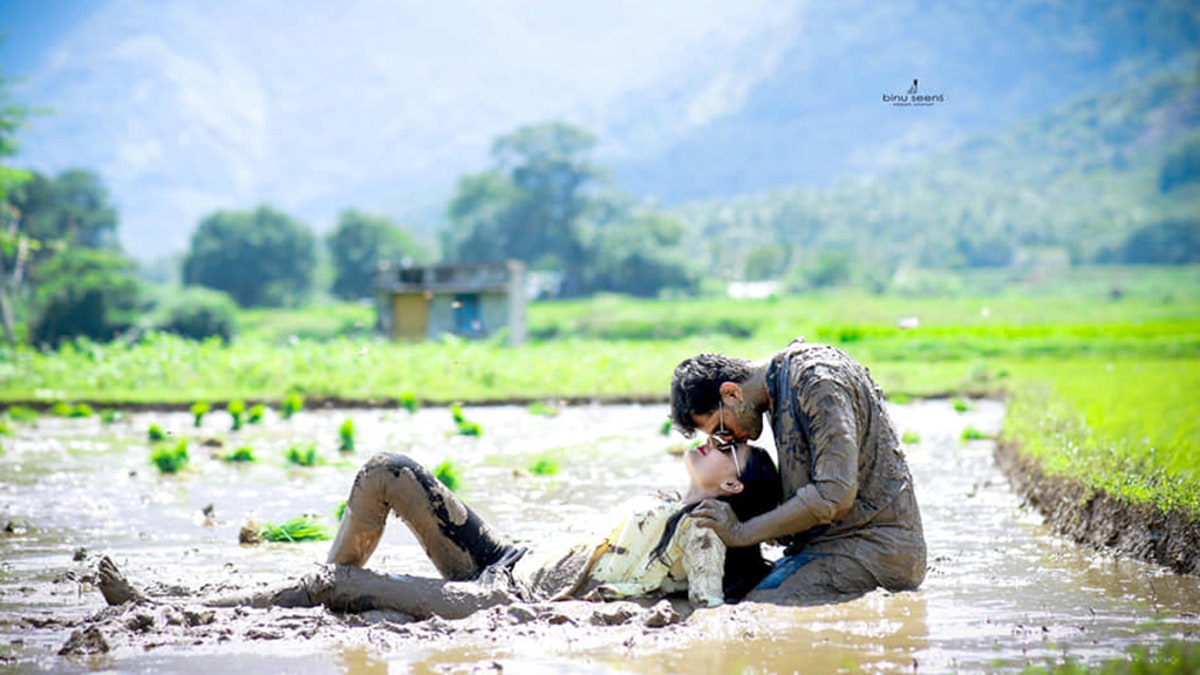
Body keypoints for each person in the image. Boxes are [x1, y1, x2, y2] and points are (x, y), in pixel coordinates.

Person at [97, 440, 782, 618]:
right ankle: (331, 592)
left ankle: (166, 606)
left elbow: (709, 610)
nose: (714, 437)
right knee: (386, 471)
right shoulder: (672, 493)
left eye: (729, 447)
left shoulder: (707, 529)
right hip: (507, 557)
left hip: (513, 601)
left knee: (339, 582)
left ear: (730, 486)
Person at [669, 337, 926, 606]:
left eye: (722, 429)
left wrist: (741, 533)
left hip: (874, 548)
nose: (730, 441)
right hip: (824, 547)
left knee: (759, 607)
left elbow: (833, 495)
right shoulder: (776, 389)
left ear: (732, 394)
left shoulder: (817, 380)